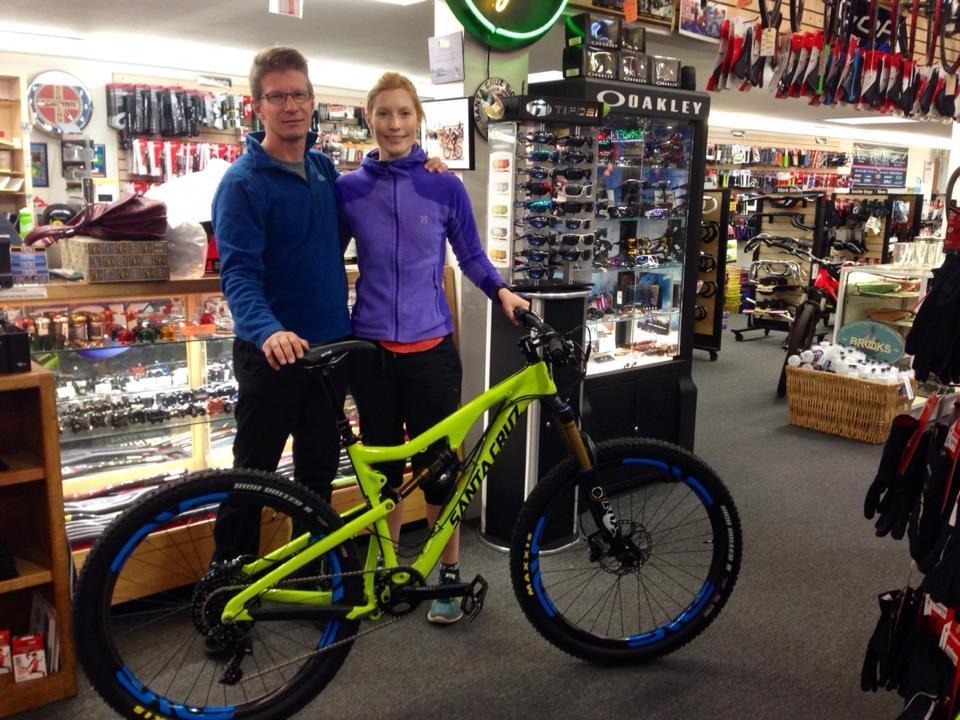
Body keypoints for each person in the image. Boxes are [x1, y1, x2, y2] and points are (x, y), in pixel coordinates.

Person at [211, 47, 446, 566]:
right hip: (271, 355)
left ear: (313, 101)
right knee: (253, 479)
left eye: (298, 94)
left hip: (329, 354)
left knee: (316, 478)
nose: (290, 105)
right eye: (277, 96)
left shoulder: (322, 170)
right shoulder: (242, 184)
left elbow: (374, 202)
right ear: (258, 106)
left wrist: (426, 167)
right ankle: (225, 591)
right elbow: (239, 274)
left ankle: (315, 585)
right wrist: (268, 329)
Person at [336, 72, 529, 625]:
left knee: (440, 469)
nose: (394, 124)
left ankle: (446, 572)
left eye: (403, 113)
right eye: (383, 113)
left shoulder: (444, 185)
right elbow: (326, 256)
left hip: (431, 350)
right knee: (382, 472)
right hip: (370, 351)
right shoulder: (348, 189)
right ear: (368, 119)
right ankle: (385, 568)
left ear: (418, 119)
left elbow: (470, 256)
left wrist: (502, 292)